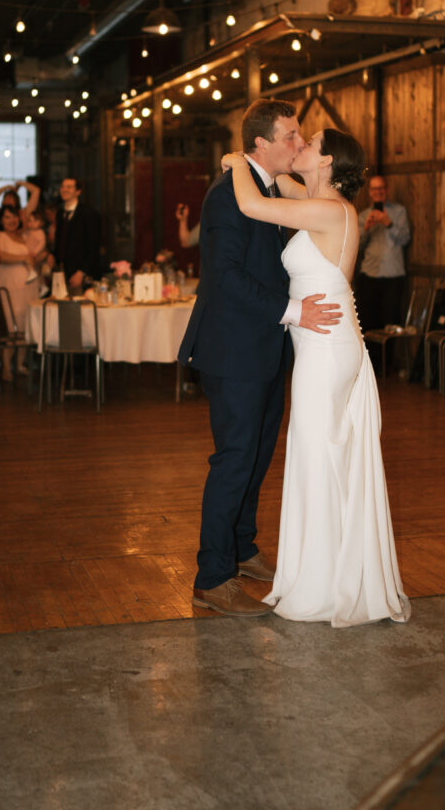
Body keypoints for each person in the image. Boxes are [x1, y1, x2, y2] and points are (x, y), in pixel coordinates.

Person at [223, 128, 410, 627]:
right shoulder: (319, 200)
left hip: (326, 348)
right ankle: (323, 574)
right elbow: (278, 185)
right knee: (318, 456)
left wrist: (237, 160)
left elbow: (252, 204)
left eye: (310, 142)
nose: (300, 143)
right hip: (325, 341)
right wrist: (266, 162)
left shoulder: (330, 212)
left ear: (327, 160)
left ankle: (324, 586)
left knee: (316, 457)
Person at [178, 98, 342, 618]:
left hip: (267, 348)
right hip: (234, 350)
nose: (299, 143)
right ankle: (212, 576)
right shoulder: (229, 195)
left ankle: (243, 548)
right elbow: (225, 277)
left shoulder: (267, 188)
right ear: (261, 143)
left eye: (300, 136)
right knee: (233, 460)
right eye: (291, 136)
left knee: (257, 456)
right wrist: (295, 311)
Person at [357, 175, 411, 370]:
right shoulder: (363, 215)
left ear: (386, 191)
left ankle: (387, 366)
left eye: (381, 189)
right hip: (369, 274)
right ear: (370, 193)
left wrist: (388, 223)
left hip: (393, 275)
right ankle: (371, 366)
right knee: (369, 322)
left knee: (390, 320)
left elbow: (405, 238)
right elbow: (357, 246)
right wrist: (366, 229)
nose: (378, 192)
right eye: (374, 189)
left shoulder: (399, 212)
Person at [0, 205, 37, 379]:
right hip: (9, 287)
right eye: (7, 217)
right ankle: (6, 368)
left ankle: (19, 364)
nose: (11, 221)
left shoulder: (23, 236)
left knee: (24, 325)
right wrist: (22, 258)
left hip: (27, 287)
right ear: (1, 221)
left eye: (14, 217)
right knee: (10, 326)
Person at [53, 177, 101, 292]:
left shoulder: (88, 214)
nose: (65, 190)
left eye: (69, 187)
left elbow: (94, 247)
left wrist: (81, 272)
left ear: (78, 192)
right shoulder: (60, 213)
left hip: (81, 274)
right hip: (62, 272)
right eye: (63, 187)